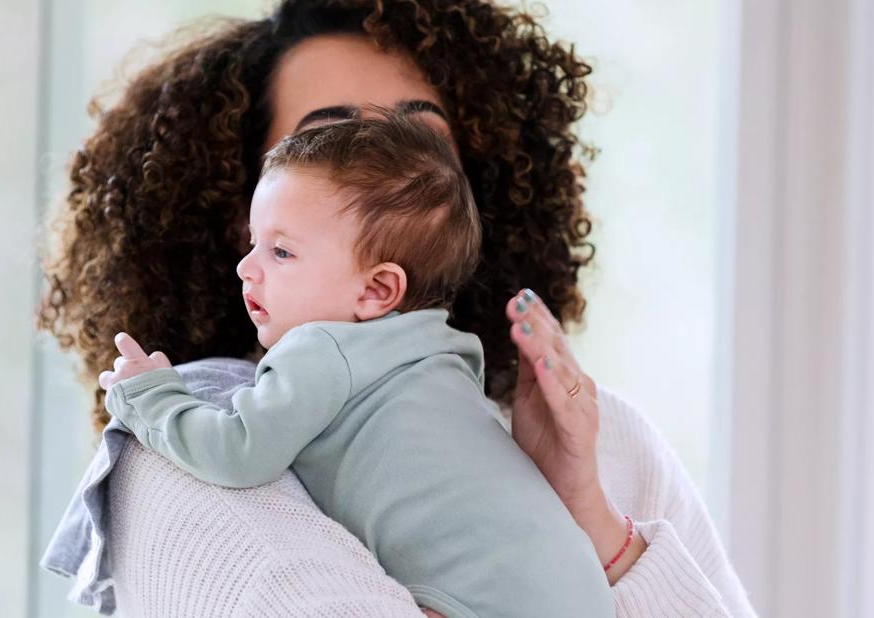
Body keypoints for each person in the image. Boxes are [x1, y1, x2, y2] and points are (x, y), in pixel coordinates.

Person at [37, 0, 757, 616]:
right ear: (242, 211)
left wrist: (593, 518)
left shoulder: (608, 438)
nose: (378, 170)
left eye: (418, 144)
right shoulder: (180, 449)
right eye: (323, 144)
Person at [98, 114, 614, 617]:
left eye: (280, 251)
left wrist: (152, 395)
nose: (245, 267)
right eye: (251, 242)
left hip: (477, 600)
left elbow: (238, 452)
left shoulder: (323, 348)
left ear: (377, 290)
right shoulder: (448, 351)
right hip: (581, 583)